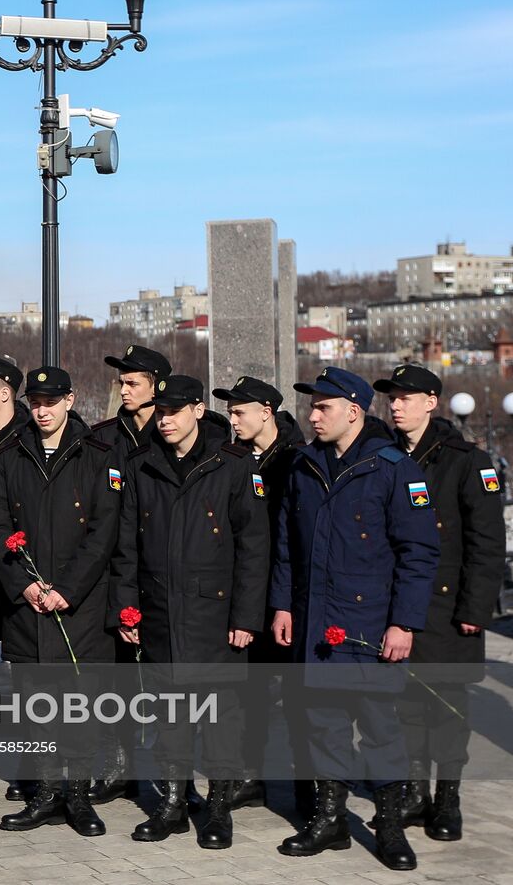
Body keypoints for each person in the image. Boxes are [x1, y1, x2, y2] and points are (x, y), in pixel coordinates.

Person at [271, 367, 440, 870]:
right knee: (321, 724)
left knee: (379, 726)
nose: (312, 415)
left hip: (370, 624)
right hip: (315, 619)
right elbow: (287, 545)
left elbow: (419, 553)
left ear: (353, 410)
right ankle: (330, 822)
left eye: (323, 406)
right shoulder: (304, 465)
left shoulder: (393, 467)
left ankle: (389, 828)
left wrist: (403, 623)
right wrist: (282, 604)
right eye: (311, 406)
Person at [110, 374, 269, 849]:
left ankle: (218, 810)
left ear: (198, 411)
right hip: (159, 613)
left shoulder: (234, 465)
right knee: (169, 718)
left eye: (174, 412)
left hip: (215, 617)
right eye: (159, 413)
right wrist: (127, 608)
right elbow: (125, 547)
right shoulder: (142, 465)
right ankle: (174, 804)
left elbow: (254, 549)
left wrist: (246, 619)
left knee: (220, 721)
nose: (165, 421)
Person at [375, 364, 505, 842]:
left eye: (406, 397)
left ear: (431, 401)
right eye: (392, 397)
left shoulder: (468, 461)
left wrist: (475, 609)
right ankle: (412, 792)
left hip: (450, 610)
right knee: (404, 704)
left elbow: (487, 542)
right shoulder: (386, 455)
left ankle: (447, 797)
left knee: (447, 708)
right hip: (398, 607)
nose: (396, 404)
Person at [0, 367, 118, 836]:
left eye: (51, 401)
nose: (41, 410)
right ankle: (43, 795)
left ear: (70, 400)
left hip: (76, 610)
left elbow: (104, 533)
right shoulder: (11, 455)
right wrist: (24, 585)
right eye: (35, 401)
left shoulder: (98, 455)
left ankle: (78, 799)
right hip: (28, 607)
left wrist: (66, 588)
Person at [212, 375, 308, 814]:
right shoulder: (232, 457)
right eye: (229, 413)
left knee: (296, 695)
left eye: (239, 412)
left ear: (266, 412)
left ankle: (305, 787)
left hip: (287, 593)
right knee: (245, 691)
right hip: (244, 593)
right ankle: (247, 775)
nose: (232, 420)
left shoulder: (296, 459)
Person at [90, 343, 171, 804]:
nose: (123, 388)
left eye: (132, 382)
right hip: (115, 576)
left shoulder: (176, 433)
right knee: (116, 679)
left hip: (161, 574)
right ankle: (118, 764)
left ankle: (167, 776)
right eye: (121, 381)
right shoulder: (105, 438)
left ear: (157, 387)